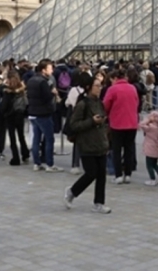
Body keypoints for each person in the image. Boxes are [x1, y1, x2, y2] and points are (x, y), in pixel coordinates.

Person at [64, 74, 111, 214]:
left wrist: (103, 124)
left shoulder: (99, 103)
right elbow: (74, 124)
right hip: (87, 144)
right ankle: (72, 192)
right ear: (88, 88)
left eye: (100, 86)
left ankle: (99, 203)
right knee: (91, 173)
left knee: (101, 175)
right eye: (97, 86)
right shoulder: (82, 104)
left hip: (100, 143)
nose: (99, 88)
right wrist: (92, 121)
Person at [103, 69, 140, 184]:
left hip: (117, 123)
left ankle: (118, 175)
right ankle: (128, 174)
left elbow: (105, 105)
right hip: (132, 123)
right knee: (129, 149)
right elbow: (137, 103)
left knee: (116, 150)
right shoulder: (132, 88)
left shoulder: (112, 89)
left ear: (115, 78)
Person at [27, 59, 62, 172]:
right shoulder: (43, 82)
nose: (52, 70)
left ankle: (37, 163)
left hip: (33, 112)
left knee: (36, 139)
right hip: (43, 113)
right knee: (49, 139)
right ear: (43, 70)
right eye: (50, 68)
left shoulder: (31, 80)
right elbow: (47, 97)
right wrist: (53, 93)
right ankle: (49, 164)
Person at [0, 71, 30, 166]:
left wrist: (3, 112)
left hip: (10, 115)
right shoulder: (22, 90)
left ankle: (15, 158)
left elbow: (4, 105)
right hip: (20, 114)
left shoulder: (7, 91)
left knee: (12, 138)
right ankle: (25, 154)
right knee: (21, 136)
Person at [139, 111, 158, 186]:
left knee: (149, 165)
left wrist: (148, 120)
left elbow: (141, 124)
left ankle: (152, 179)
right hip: (157, 148)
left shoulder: (150, 127)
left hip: (150, 149)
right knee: (154, 163)